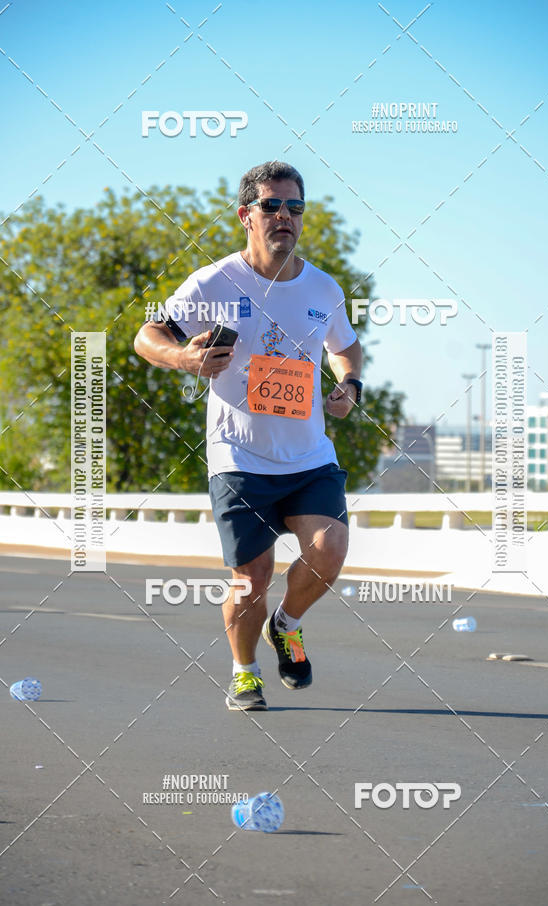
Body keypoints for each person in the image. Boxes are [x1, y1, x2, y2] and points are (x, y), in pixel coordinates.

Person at [134, 160, 362, 711]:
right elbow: (147, 335)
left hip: (308, 454)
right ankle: (244, 671)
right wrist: (183, 358)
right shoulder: (213, 282)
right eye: (271, 206)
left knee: (329, 550)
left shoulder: (322, 287)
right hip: (239, 456)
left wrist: (350, 385)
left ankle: (287, 624)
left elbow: (346, 347)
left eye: (294, 207)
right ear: (246, 215)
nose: (284, 216)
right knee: (251, 578)